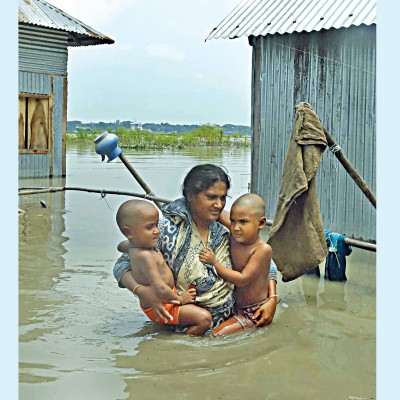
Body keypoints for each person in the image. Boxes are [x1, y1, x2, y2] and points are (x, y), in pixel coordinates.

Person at [113, 164, 278, 331]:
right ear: (191, 196)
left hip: (227, 320)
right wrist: (142, 292)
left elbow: (263, 261)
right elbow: (121, 266)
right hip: (183, 321)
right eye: (211, 197)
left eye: (222, 198)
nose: (219, 205)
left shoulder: (228, 229)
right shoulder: (165, 229)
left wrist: (271, 298)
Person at [116, 199, 212, 335]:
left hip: (165, 298)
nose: (157, 231)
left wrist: (130, 243)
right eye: (150, 227)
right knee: (204, 319)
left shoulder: (139, 245)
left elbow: (121, 246)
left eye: (156, 225)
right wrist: (180, 299)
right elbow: (159, 287)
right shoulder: (145, 255)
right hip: (163, 304)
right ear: (129, 233)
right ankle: (181, 343)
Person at [199, 193, 275, 337]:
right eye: (233, 221)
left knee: (215, 336)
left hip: (252, 311)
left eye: (243, 222)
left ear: (261, 223)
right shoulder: (237, 233)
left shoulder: (261, 249)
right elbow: (220, 213)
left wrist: (214, 263)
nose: (236, 227)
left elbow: (242, 279)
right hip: (234, 305)